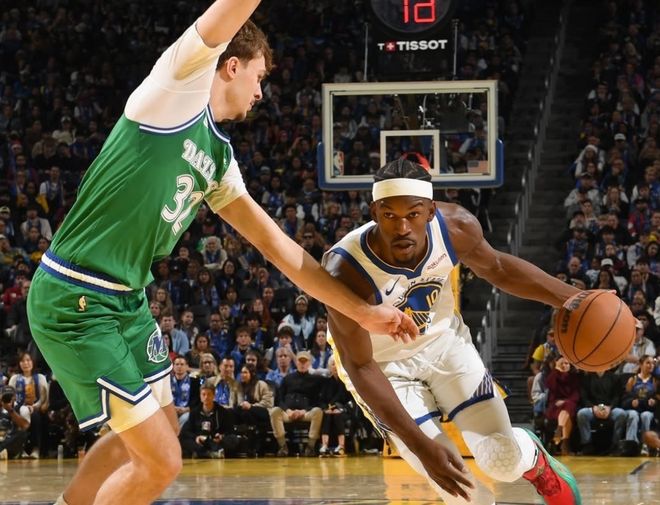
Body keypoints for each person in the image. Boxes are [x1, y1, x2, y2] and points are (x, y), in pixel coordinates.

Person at [28, 3, 416, 503]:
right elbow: (229, 11)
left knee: (155, 433)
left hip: (127, 301)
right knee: (161, 461)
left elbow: (280, 249)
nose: (260, 92)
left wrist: (363, 313)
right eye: (258, 76)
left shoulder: (219, 158)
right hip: (77, 295)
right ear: (232, 65)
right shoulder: (176, 87)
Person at [323, 159, 584, 505]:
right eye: (389, 215)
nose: (402, 227)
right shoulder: (345, 270)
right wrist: (420, 446)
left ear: (431, 211)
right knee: (460, 489)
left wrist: (574, 299)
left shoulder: (456, 227)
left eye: (413, 214)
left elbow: (499, 268)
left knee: (502, 460)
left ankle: (535, 460)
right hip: (383, 368)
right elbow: (360, 366)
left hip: (445, 345)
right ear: (374, 213)